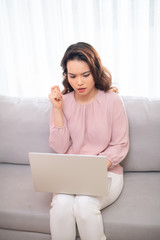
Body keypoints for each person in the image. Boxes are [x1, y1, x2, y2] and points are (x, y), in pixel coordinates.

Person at [48, 42, 129, 240]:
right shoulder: (62, 102)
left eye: (85, 75)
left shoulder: (112, 101)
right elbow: (60, 148)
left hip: (106, 171)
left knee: (84, 206)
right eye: (72, 76)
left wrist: (95, 167)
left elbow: (120, 144)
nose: (79, 82)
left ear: (95, 71)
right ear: (66, 75)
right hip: (70, 174)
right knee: (61, 207)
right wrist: (57, 110)